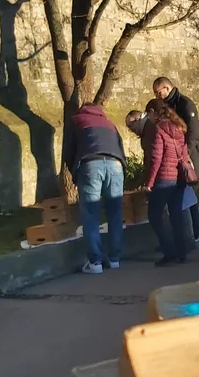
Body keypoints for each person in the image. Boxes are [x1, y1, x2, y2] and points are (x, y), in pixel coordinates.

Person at [61, 103, 127, 275]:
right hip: (115, 164)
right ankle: (114, 259)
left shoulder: (76, 120)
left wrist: (76, 174)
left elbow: (68, 151)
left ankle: (95, 263)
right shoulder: (109, 123)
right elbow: (120, 147)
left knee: (91, 213)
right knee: (115, 212)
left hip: (90, 163)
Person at [151, 77, 199, 244]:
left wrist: (185, 154)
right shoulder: (169, 105)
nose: (157, 96)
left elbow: (193, 133)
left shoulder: (185, 104)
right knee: (185, 197)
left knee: (188, 198)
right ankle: (189, 234)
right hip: (178, 157)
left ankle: (194, 233)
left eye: (158, 92)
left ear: (167, 88)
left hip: (187, 156)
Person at [143, 98, 191, 266]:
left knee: (154, 215)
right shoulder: (179, 127)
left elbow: (157, 158)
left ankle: (169, 252)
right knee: (176, 215)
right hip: (179, 177)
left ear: (152, 112)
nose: (147, 118)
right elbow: (184, 153)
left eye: (147, 114)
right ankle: (182, 252)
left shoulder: (159, 129)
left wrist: (150, 182)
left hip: (164, 178)